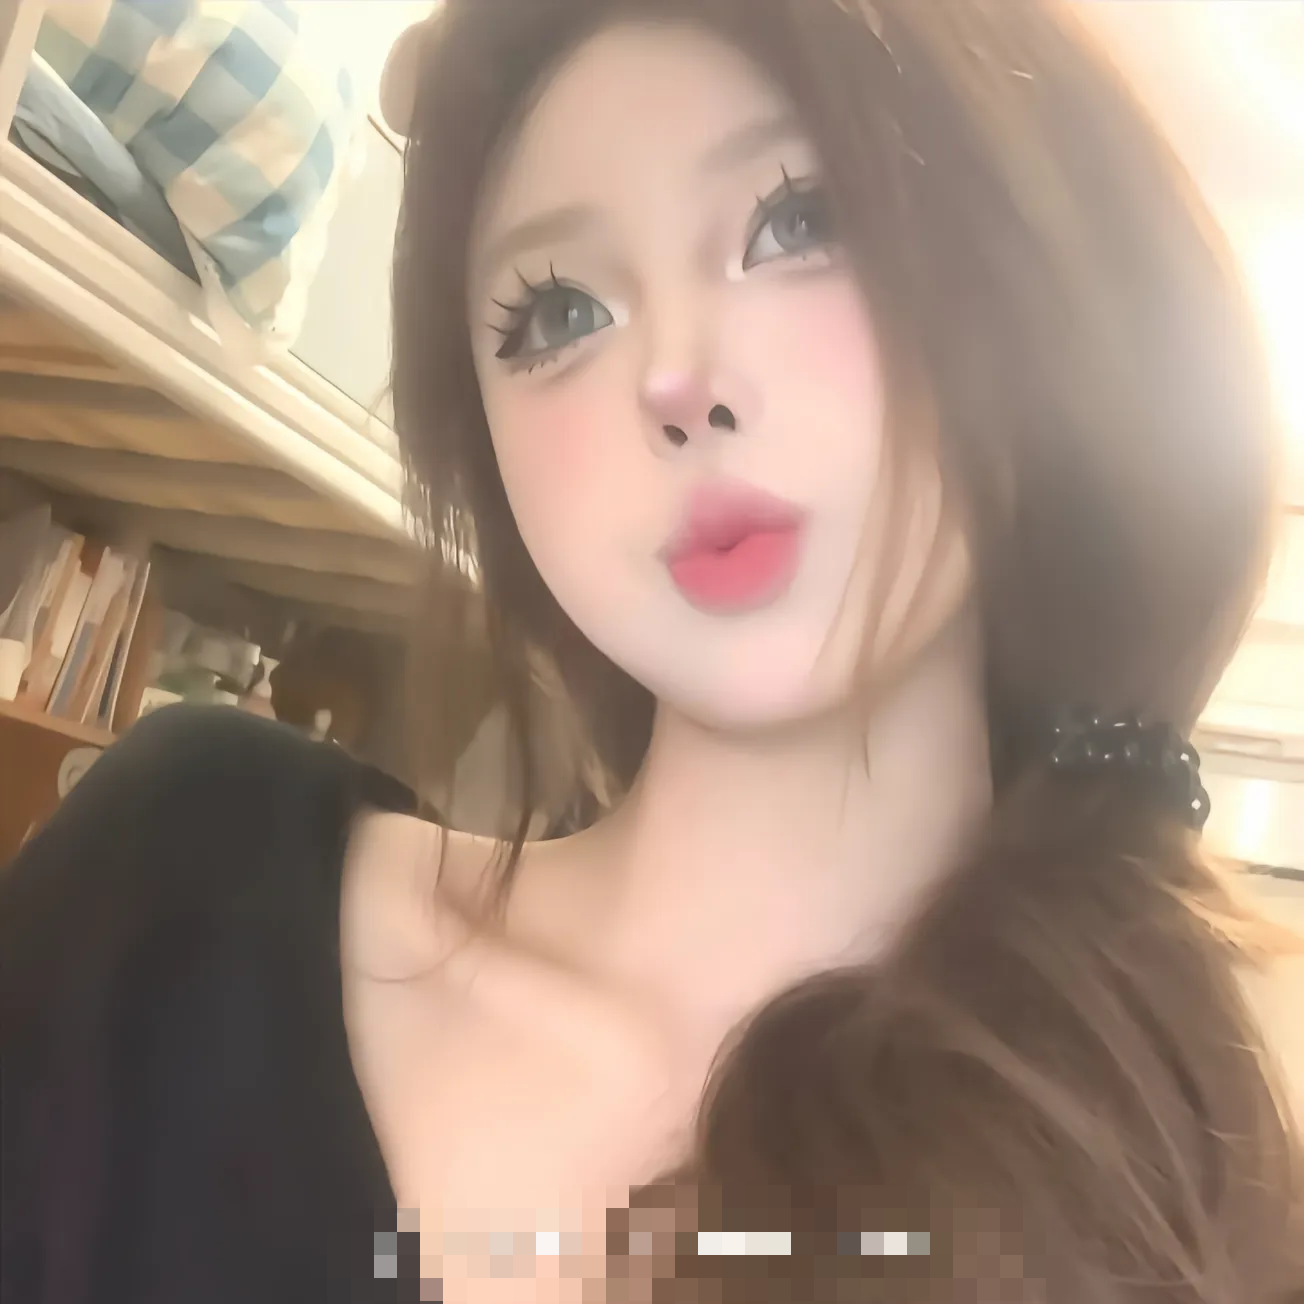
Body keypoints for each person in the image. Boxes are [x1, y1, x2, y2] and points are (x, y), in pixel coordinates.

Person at [1, 0, 1299, 1299]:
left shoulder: (1188, 1138)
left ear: (1033, 300)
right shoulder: (182, 888)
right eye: (559, 313)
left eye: (800, 222)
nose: (676, 383)